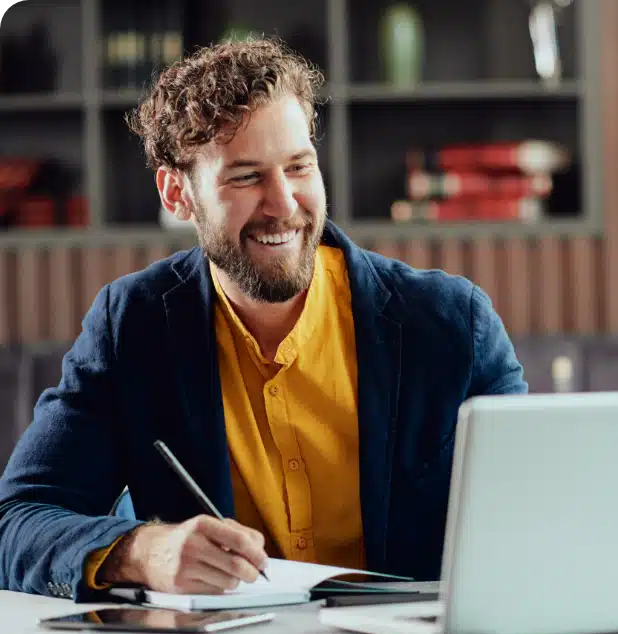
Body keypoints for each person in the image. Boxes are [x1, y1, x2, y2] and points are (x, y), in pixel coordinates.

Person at [0, 37, 527, 602]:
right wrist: (142, 552)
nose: (284, 204)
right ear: (177, 193)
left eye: (299, 167)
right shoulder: (132, 325)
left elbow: (543, 509)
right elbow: (18, 523)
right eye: (246, 177)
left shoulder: (451, 323)